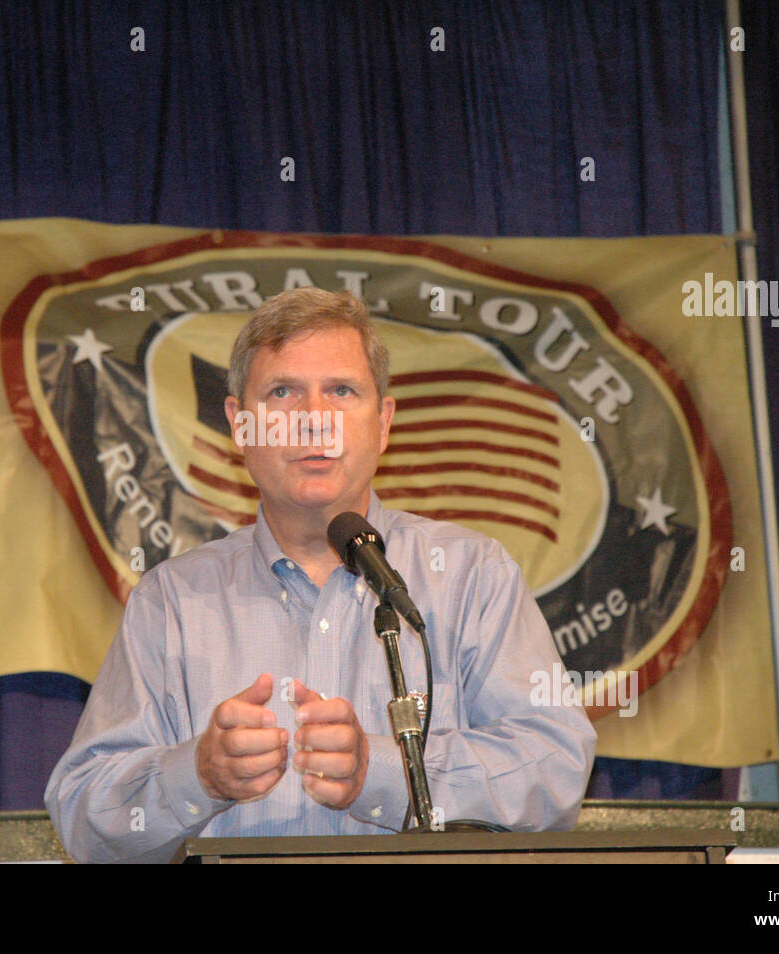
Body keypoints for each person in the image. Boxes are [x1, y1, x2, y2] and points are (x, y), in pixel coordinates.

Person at [45, 287, 597, 863]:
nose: (314, 421)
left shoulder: (473, 576)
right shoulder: (173, 601)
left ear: (382, 422)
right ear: (240, 425)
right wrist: (198, 775)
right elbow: (84, 818)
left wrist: (383, 772)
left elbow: (555, 771)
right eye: (282, 392)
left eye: (342, 391)